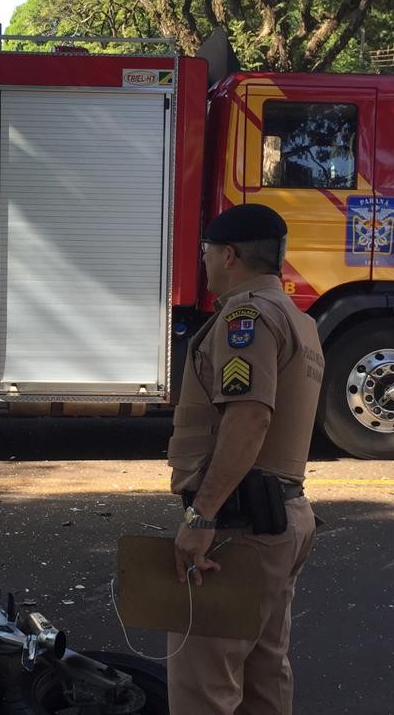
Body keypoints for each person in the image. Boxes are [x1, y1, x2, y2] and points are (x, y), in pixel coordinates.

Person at [167, 203, 323, 715]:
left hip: (240, 526)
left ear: (229, 255)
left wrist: (202, 514)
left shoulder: (245, 317)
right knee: (264, 673)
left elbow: (249, 418)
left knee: (203, 684)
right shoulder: (300, 322)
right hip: (283, 516)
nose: (205, 263)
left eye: (207, 253)